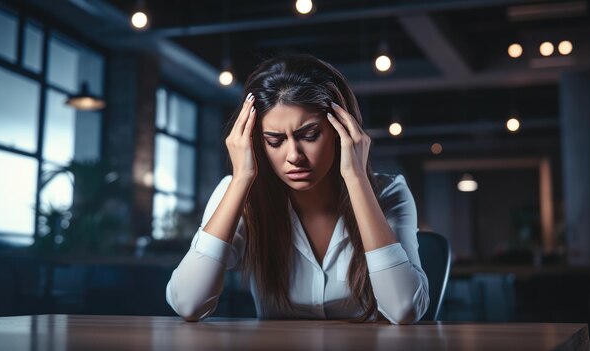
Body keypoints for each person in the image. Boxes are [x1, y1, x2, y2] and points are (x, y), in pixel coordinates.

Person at [165, 54, 429, 324]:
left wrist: (356, 177)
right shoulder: (238, 194)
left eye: (309, 135)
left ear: (342, 132)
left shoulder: (389, 193)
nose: (294, 155)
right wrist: (242, 177)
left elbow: (404, 309)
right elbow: (188, 303)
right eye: (274, 140)